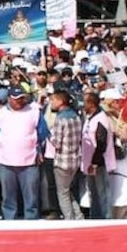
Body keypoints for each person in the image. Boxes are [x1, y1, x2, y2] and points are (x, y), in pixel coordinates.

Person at [0, 86, 46, 220]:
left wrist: (38, 151)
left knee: (31, 199)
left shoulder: (35, 112)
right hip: (6, 162)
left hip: (29, 162)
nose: (20, 101)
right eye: (16, 99)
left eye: (22, 98)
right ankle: (10, 224)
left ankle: (31, 224)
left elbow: (42, 134)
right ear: (9, 99)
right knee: (8, 198)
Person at [47, 90, 83, 221]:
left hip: (63, 161)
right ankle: (78, 217)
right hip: (75, 160)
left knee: (62, 193)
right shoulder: (76, 116)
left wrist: (48, 134)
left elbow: (56, 143)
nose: (51, 102)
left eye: (53, 100)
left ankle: (69, 220)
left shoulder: (60, 119)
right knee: (67, 191)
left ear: (60, 102)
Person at [80, 92, 115, 220]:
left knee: (102, 193)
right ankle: (95, 218)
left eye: (84, 101)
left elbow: (101, 143)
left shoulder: (101, 119)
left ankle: (106, 219)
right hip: (90, 163)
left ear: (91, 103)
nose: (82, 104)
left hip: (99, 163)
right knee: (93, 193)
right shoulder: (90, 118)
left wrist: (95, 163)